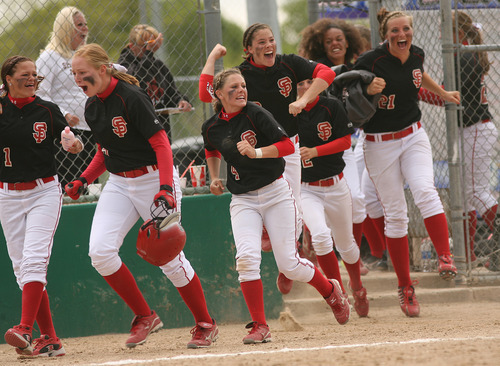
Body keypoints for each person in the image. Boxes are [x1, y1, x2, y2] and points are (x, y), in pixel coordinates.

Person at [68, 43, 218, 349]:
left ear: (103, 68)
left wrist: (165, 189)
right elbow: (103, 151)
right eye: (73, 74)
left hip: (154, 178)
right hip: (120, 183)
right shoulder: (92, 105)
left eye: (82, 73)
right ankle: (145, 315)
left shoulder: (131, 97)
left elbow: (161, 144)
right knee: (100, 252)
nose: (78, 79)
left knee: (169, 257)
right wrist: (84, 178)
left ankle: (205, 323)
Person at [202, 68, 350, 344]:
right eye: (233, 88)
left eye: (243, 85)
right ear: (219, 94)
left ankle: (331, 291)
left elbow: (287, 146)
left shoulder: (256, 113)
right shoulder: (212, 126)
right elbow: (211, 147)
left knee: (289, 264)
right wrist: (213, 176)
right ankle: (260, 326)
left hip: (275, 193)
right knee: (246, 259)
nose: (241, 91)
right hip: (243, 199)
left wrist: (257, 152)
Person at [199, 23, 336, 294]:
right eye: (260, 42)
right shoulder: (244, 75)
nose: (268, 46)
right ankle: (275, 244)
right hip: (253, 153)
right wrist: (213, 58)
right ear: (248, 50)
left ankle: (289, 260)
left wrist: (304, 98)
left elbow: (326, 72)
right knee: (259, 200)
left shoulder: (288, 64)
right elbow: (206, 94)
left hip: (287, 146)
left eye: (271, 40)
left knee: (293, 204)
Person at [353, 8, 460, 317]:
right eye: (395, 31)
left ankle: (444, 256)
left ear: (412, 31)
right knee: (397, 214)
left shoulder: (416, 53)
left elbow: (418, 74)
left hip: (413, 136)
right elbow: (346, 86)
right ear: (385, 34)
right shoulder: (371, 61)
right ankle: (405, 287)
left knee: (426, 190)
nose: (401, 35)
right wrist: (365, 87)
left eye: (406, 30)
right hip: (379, 144)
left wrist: (440, 92)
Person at [1, 55, 83, 357]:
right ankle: (50, 338)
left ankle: (25, 328)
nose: (32, 79)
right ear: (8, 79)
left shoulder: (48, 110)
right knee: (22, 268)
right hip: (6, 194)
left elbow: (74, 144)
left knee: (34, 258)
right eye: (25, 75)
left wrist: (73, 144)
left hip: (43, 191)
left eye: (35, 74)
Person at [299, 18, 387, 275]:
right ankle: (312, 243)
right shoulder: (315, 72)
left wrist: (370, 89)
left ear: (349, 41)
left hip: (350, 140)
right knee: (320, 207)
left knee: (358, 199)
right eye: (328, 41)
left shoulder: (357, 68)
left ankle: (353, 256)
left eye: (339, 39)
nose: (335, 43)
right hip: (319, 148)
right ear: (320, 46)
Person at [418, 10, 498, 265]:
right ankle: (468, 255)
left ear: (459, 33)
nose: (441, 34)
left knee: (475, 191)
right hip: (472, 130)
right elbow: (448, 95)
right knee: (463, 195)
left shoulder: (463, 57)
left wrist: (415, 90)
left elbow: (450, 97)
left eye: (446, 29)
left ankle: (477, 249)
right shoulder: (462, 54)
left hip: (477, 129)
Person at [297, 78, 369, 317]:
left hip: (336, 185)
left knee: (347, 245)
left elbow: (345, 141)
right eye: (300, 83)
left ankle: (357, 287)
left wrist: (315, 151)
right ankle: (339, 295)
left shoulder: (331, 106)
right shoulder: (289, 113)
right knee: (320, 235)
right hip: (307, 188)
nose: (306, 87)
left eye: (310, 81)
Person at [36, 6, 95, 190]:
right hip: (66, 132)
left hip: (90, 129)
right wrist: (64, 114)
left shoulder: (82, 57)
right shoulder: (49, 57)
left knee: (90, 186)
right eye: (79, 24)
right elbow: (40, 93)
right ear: (65, 28)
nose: (84, 29)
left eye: (85, 24)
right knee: (70, 184)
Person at [117, 24, 192, 142]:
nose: (150, 49)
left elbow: (172, 93)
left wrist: (181, 101)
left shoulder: (158, 66)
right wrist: (148, 54)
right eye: (145, 46)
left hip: (159, 129)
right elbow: (135, 80)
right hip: (137, 131)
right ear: (132, 46)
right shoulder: (123, 65)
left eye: (152, 45)